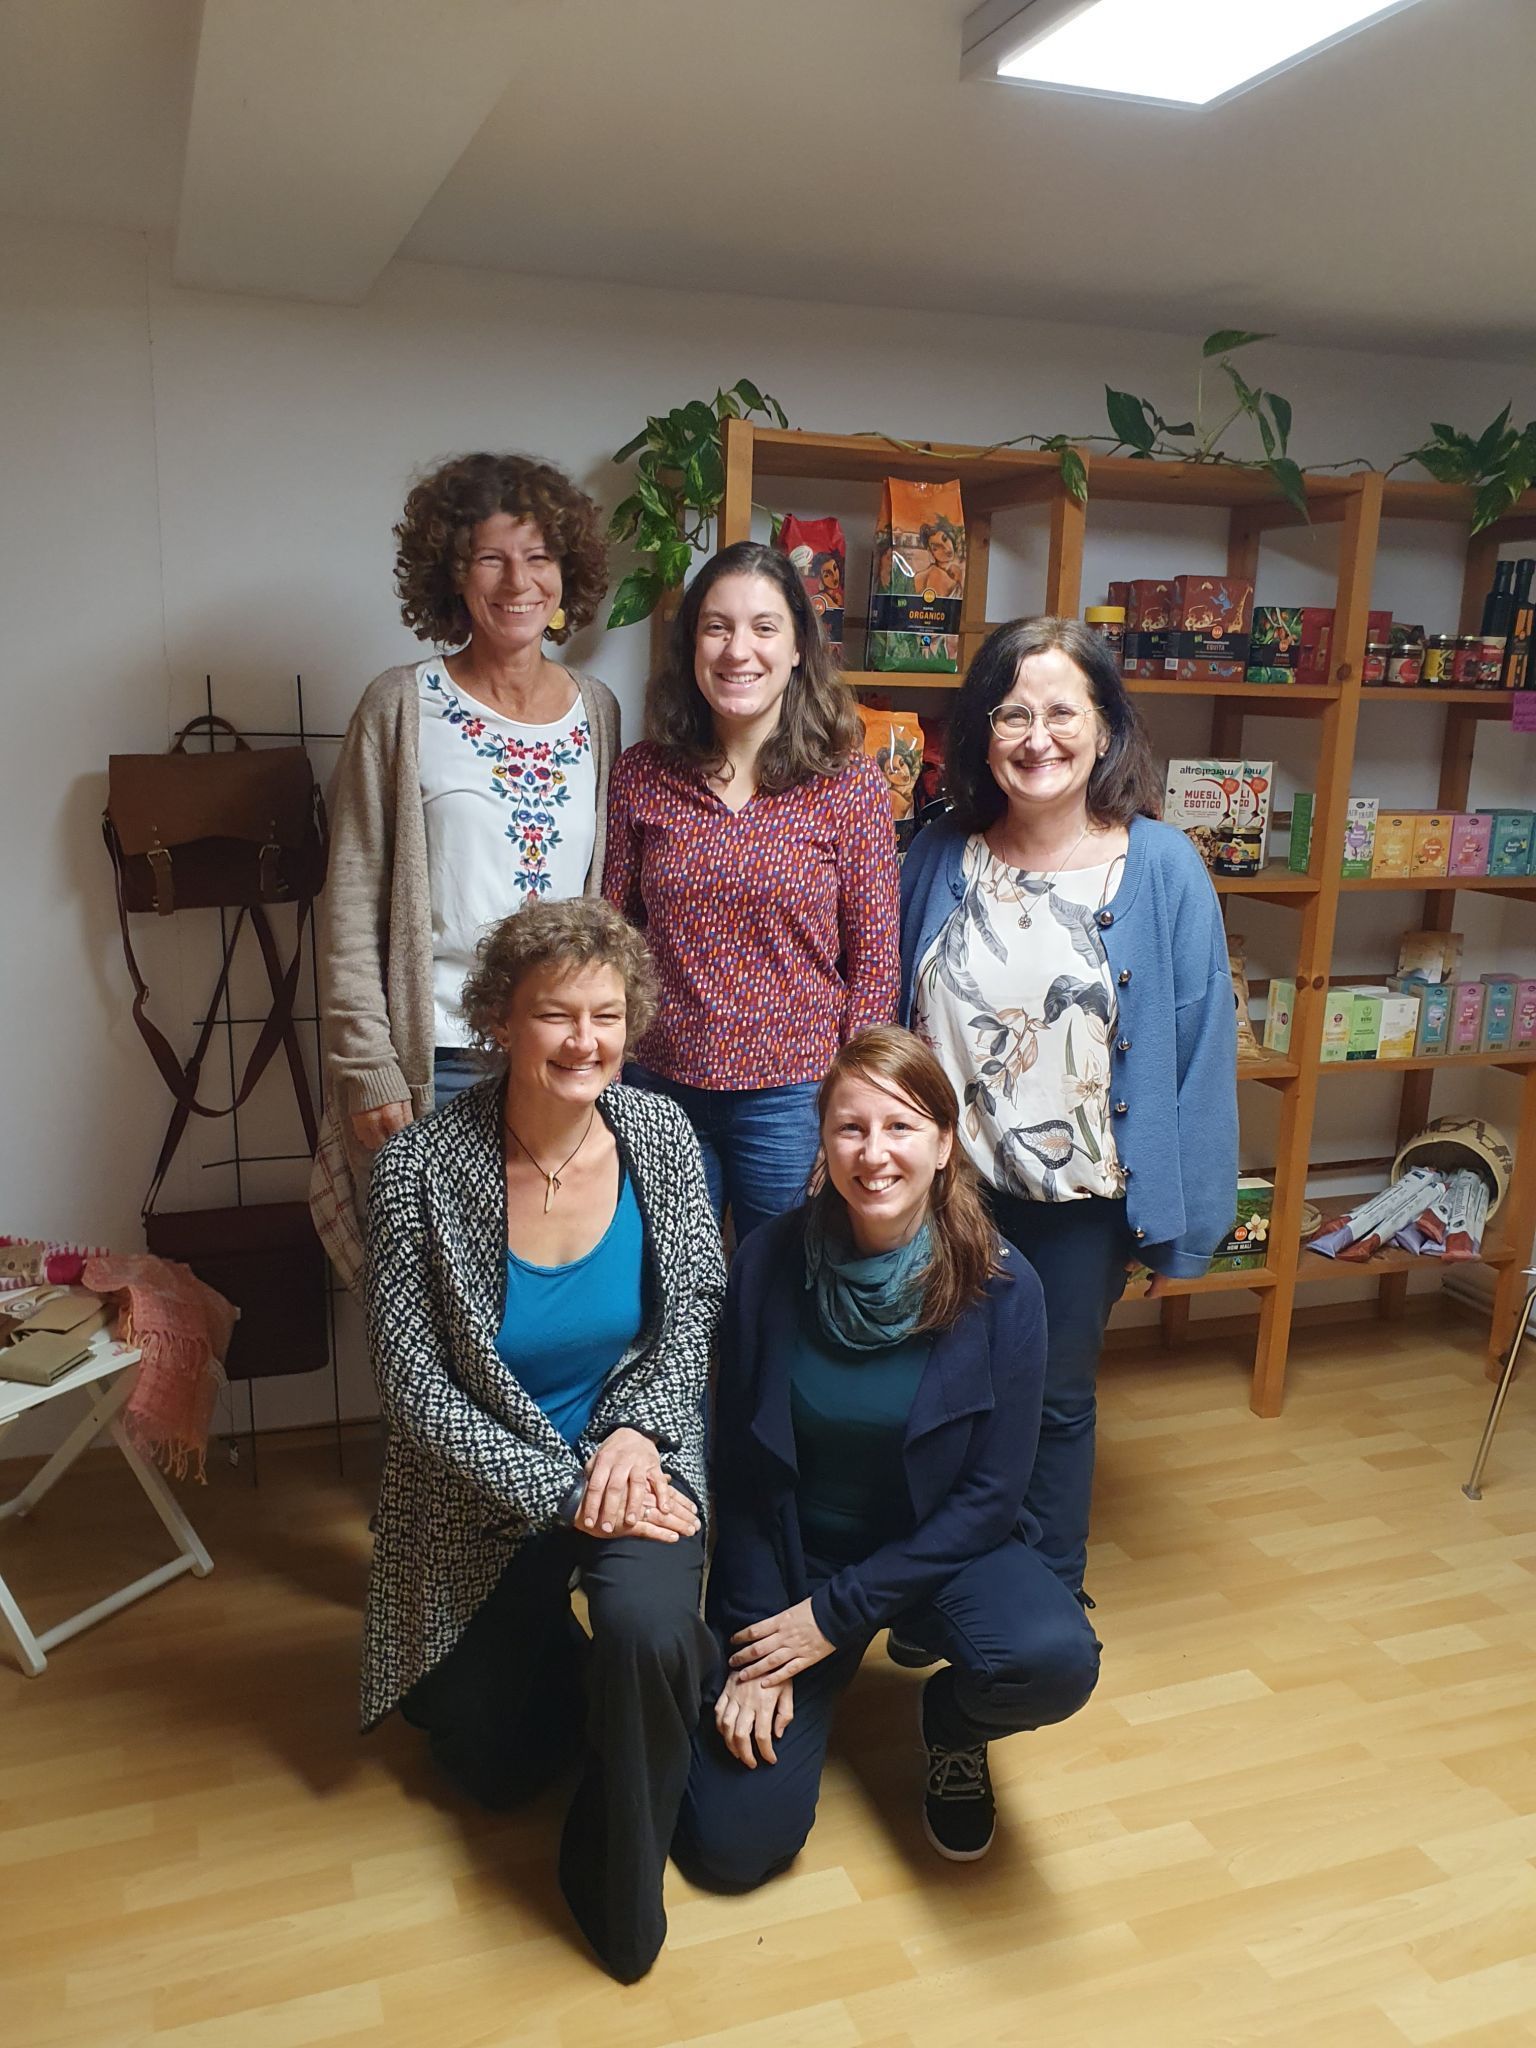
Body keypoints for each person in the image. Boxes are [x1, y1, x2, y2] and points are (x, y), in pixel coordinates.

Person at [361, 898, 724, 1982]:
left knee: (650, 1630)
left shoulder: (661, 1134)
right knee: (489, 1757)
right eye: (553, 1013)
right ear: (499, 1021)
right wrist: (568, 1489)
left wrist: (638, 1433)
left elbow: (695, 1300)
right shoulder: (418, 1168)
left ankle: (622, 1907)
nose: (584, 1040)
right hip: (482, 1488)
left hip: (637, 1467)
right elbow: (414, 1387)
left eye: (606, 1014)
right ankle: (626, 1700)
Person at [674, 1026, 1099, 1884]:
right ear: (823, 1141)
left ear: (945, 1144)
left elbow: (988, 1501)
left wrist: (833, 1618)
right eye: (851, 1129)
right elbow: (744, 1469)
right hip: (798, 1557)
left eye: (901, 1128)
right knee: (729, 1850)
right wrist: (758, 1640)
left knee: (1054, 1659)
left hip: (940, 1552)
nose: (875, 1155)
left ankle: (953, 1727)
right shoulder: (765, 1261)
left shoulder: (1005, 1288)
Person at [899, 615, 1238, 1598]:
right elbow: (889, 1015)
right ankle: (936, 1585)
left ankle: (1042, 1595)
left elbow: (1201, 1042)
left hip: (1084, 1199)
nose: (1036, 736)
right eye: (1011, 712)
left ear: (1104, 728)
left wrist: (1188, 1220)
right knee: (939, 1392)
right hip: (947, 1192)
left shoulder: (1162, 864)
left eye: (1060, 711)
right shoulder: (936, 853)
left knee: (1052, 1399)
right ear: (982, 731)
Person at [312, 452, 620, 1287]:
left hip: (562, 1055)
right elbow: (345, 905)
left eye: (539, 556)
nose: (518, 580)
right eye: (490, 557)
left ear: (567, 572)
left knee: (545, 1295)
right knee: (435, 1310)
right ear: (452, 573)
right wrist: (368, 1062)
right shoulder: (401, 705)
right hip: (438, 1057)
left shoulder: (597, 712)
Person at [604, 539, 899, 1240]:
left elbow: (875, 963)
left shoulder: (848, 786)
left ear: (799, 647)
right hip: (662, 1087)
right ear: (692, 645)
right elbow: (611, 937)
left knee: (788, 1291)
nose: (740, 650)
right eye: (717, 626)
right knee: (676, 1296)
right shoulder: (642, 774)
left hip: (795, 1098)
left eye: (765, 627)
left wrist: (855, 1113)